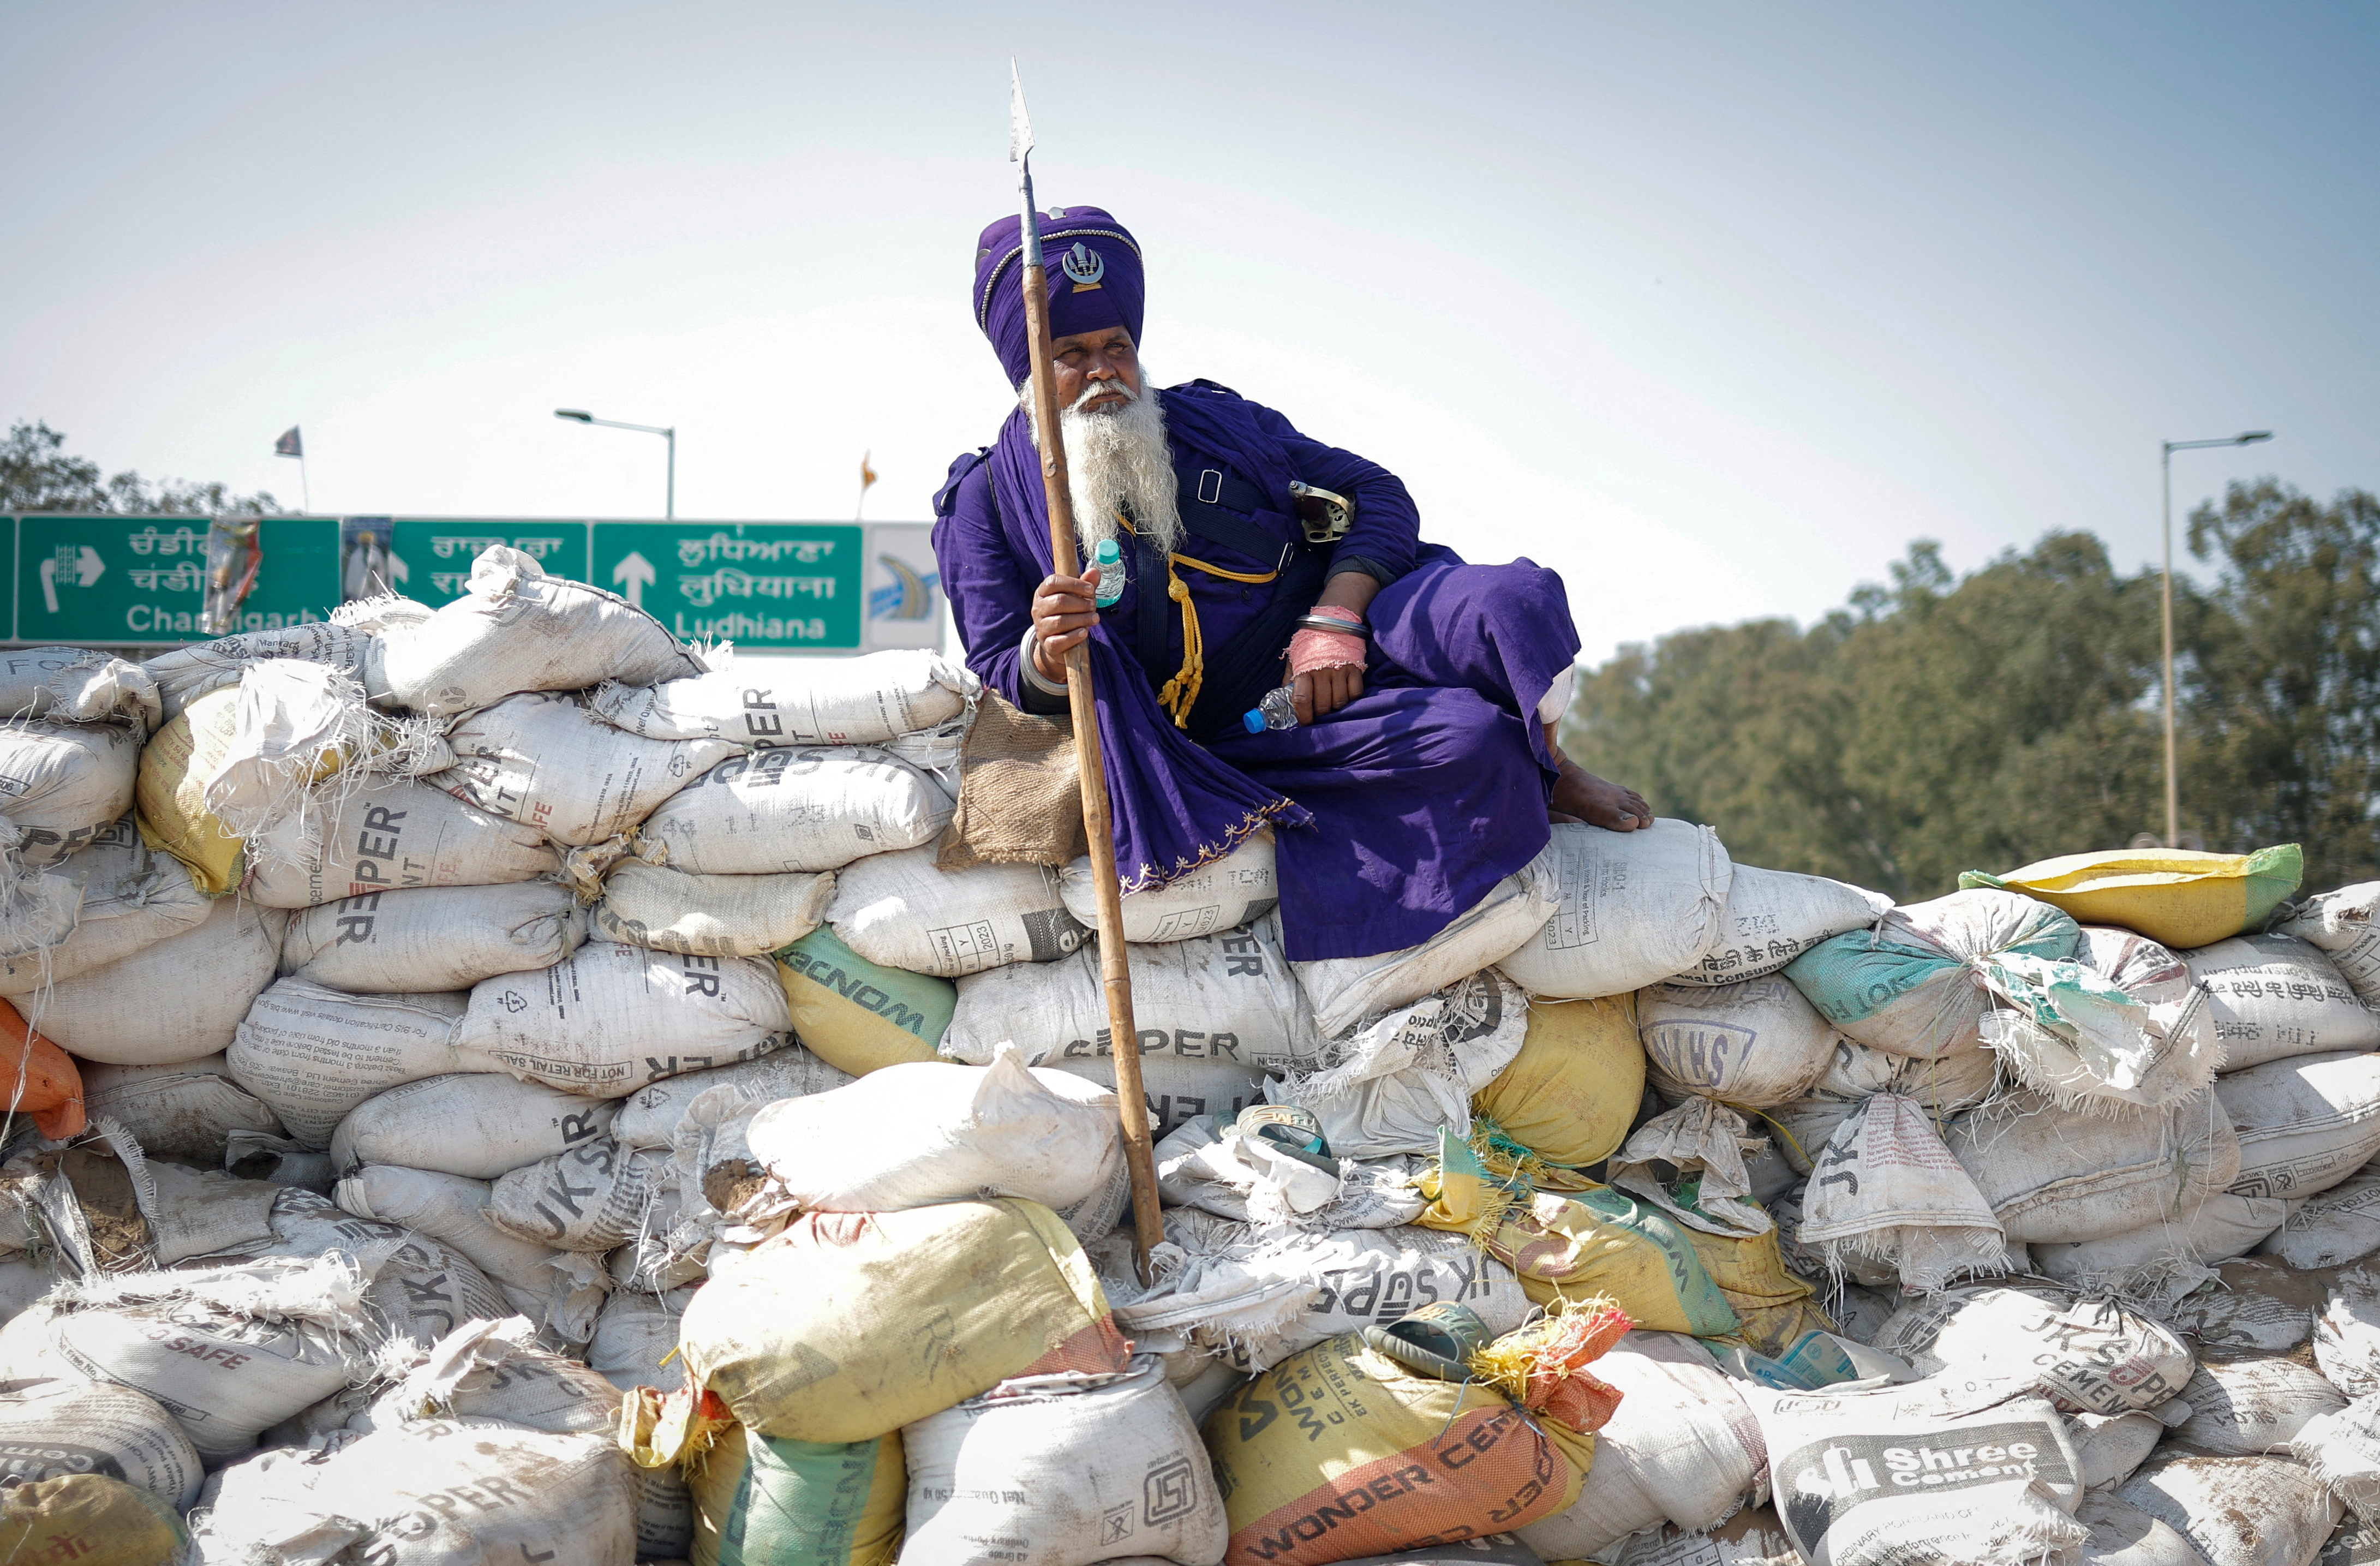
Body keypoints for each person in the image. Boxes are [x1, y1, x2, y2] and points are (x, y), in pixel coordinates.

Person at [932, 206, 1652, 964]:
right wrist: (1046, 652)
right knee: (1472, 742)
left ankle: (1555, 762)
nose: (1103, 369)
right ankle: (1515, 784)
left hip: (1350, 626)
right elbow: (997, 674)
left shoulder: (1217, 421)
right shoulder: (983, 498)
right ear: (1027, 372)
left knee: (1513, 602)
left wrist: (1334, 622)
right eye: (1071, 353)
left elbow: (1376, 493)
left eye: (1117, 346)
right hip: (1250, 726)